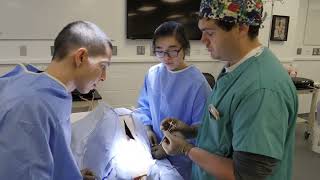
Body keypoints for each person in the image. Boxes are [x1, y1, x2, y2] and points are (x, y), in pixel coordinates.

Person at [160, 1, 298, 180]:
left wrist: (185, 149)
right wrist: (191, 131)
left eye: (210, 33)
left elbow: (246, 174)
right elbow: (227, 128)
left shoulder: (261, 90)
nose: (203, 41)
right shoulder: (235, 67)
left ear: (242, 27)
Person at [0, 21, 113, 180]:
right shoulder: (30, 105)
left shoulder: (47, 90)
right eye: (103, 66)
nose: (103, 77)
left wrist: (70, 173)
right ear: (81, 57)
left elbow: (47, 152)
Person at [136, 21, 211, 179]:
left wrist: (173, 145)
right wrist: (148, 128)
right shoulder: (153, 74)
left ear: (185, 49)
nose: (166, 58)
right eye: (160, 51)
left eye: (173, 51)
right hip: (156, 152)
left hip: (184, 160)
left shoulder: (197, 83)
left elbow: (204, 129)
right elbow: (144, 107)